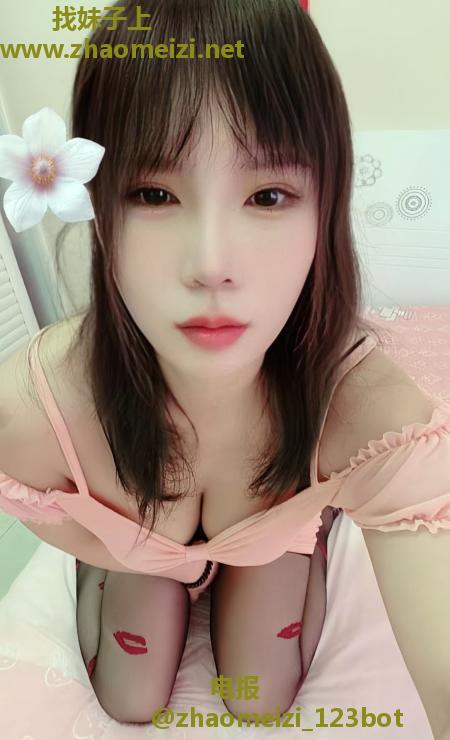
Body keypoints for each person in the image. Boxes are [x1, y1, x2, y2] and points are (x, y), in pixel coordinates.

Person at [1, 0, 449, 733]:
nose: (211, 264)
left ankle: (306, 536)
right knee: (130, 696)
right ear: (99, 209)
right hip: (131, 551)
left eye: (268, 195)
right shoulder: (34, 410)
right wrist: (112, 545)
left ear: (325, 208)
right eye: (154, 194)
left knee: (258, 695)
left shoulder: (362, 409)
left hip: (273, 538)